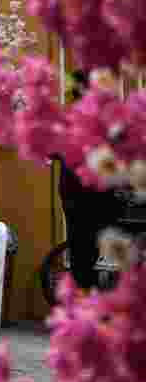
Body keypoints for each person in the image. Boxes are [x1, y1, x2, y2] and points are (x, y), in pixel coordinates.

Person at [58, 71, 124, 290]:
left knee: (82, 248)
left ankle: (87, 292)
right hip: (98, 194)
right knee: (103, 243)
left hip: (75, 194)